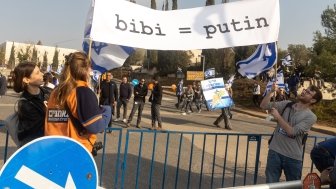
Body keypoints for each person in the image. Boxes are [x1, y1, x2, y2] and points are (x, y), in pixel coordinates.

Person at [45, 52, 111, 153]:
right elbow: (96, 126)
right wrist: (107, 111)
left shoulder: (57, 90)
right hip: (76, 151)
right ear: (85, 70)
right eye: (90, 68)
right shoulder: (83, 92)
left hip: (53, 148)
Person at [260, 85, 322, 183]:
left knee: (293, 185)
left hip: (292, 157)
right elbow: (263, 106)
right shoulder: (287, 104)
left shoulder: (311, 117)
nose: (304, 91)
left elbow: (292, 132)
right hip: (275, 152)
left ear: (313, 100)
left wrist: (278, 117)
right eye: (305, 90)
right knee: (271, 185)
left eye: (308, 93)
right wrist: (271, 92)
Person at [13, 62, 50, 146]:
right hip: (35, 147)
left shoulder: (47, 92)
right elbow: (38, 127)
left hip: (48, 143)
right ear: (26, 80)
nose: (42, 74)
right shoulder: (25, 103)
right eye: (37, 73)